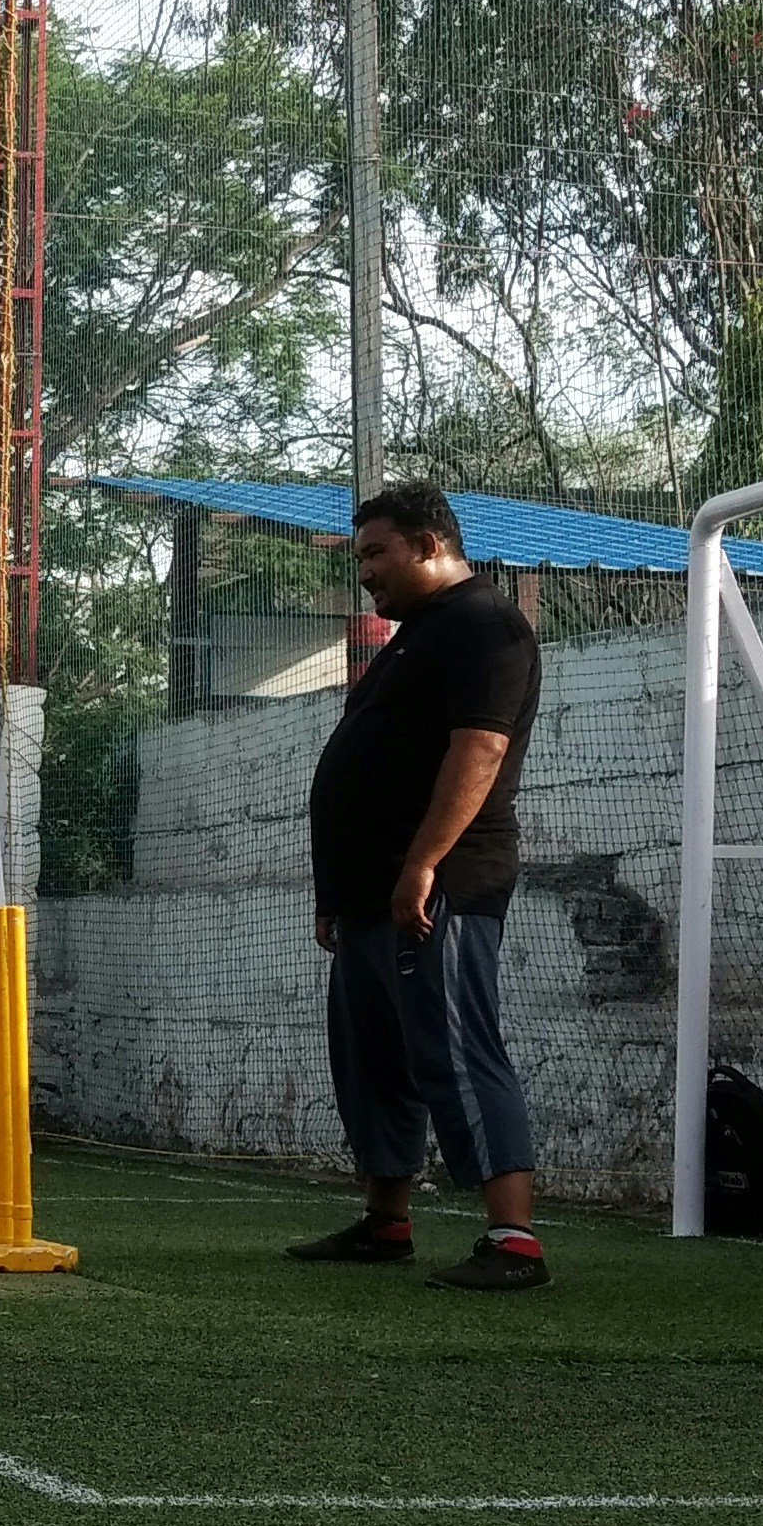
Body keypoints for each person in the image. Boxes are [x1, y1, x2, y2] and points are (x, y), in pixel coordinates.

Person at [292, 479, 549, 1290]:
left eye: (377, 553)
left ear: (430, 544)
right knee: (373, 1062)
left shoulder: (484, 624)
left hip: (442, 887)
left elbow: (479, 749)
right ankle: (385, 1222)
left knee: (458, 1053)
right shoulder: (417, 636)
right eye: (362, 555)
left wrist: (422, 865)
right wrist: (341, 892)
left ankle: (514, 1241)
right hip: (372, 898)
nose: (366, 572)